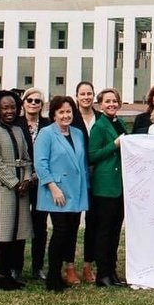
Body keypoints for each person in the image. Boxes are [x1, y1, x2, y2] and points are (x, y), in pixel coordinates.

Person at [35, 95, 90, 292]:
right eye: (61, 112)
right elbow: (41, 163)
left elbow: (82, 163)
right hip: (57, 192)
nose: (66, 115)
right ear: (53, 115)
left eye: (69, 112)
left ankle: (66, 272)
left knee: (72, 233)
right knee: (60, 232)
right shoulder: (46, 133)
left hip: (76, 190)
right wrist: (52, 186)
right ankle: (53, 277)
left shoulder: (77, 133)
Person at [0, 90, 36, 289]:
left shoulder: (18, 130)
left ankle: (15, 272)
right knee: (4, 229)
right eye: (5, 108)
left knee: (20, 230)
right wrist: (14, 183)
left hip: (22, 186)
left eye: (13, 107)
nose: (9, 111)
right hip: (4, 187)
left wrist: (26, 180)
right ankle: (1, 273)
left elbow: (26, 158)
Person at [88, 88, 128, 287]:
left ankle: (111, 272)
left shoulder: (119, 123)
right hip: (104, 187)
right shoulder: (99, 126)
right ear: (100, 104)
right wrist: (114, 144)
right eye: (107, 101)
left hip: (119, 186)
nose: (111, 104)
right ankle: (102, 273)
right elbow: (92, 155)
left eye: (114, 101)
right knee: (104, 231)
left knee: (114, 231)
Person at [18, 88, 50, 283]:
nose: (33, 103)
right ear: (23, 102)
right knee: (20, 224)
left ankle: (37, 267)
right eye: (29, 100)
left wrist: (40, 174)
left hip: (41, 181)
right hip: (22, 181)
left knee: (40, 226)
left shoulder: (47, 125)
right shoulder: (16, 124)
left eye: (37, 101)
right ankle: (17, 266)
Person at [69, 81, 99, 285]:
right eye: (82, 93)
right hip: (75, 177)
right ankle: (69, 267)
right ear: (77, 96)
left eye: (89, 93)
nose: (86, 97)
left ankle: (88, 264)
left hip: (96, 176)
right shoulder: (70, 117)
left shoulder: (100, 118)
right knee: (71, 223)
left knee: (93, 223)